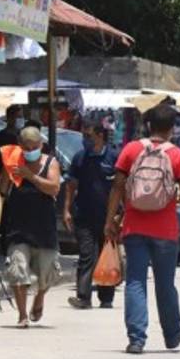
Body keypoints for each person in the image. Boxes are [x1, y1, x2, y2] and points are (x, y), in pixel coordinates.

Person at [105, 103, 180, 355]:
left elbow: (117, 187)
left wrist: (110, 220)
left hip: (134, 226)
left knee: (135, 281)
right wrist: (167, 199)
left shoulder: (131, 150)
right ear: (172, 129)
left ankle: (136, 339)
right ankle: (172, 334)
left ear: (149, 125)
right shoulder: (177, 155)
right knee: (165, 284)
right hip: (165, 230)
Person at [0, 126, 62, 328]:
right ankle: (22, 315)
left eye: (34, 146)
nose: (30, 150)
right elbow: (2, 190)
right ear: (20, 146)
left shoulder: (50, 162)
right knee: (18, 270)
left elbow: (54, 187)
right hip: (18, 227)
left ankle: (40, 296)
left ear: (41, 145)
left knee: (48, 272)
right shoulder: (15, 161)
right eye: (26, 147)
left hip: (44, 228)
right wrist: (7, 171)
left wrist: (30, 176)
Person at [63, 121, 119, 309]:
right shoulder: (80, 158)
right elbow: (71, 185)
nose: (85, 140)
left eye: (89, 136)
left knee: (107, 256)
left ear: (100, 135)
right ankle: (83, 297)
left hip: (107, 217)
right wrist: (67, 209)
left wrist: (123, 214)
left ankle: (106, 298)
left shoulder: (113, 158)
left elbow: (120, 187)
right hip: (84, 215)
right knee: (86, 255)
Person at [0, 104, 24, 177]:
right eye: (18, 117)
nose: (21, 120)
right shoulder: (0, 137)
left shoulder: (24, 136)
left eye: (21, 117)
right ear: (10, 118)